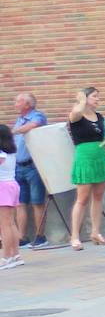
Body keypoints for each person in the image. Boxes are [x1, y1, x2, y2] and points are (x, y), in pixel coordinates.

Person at [68, 87, 105, 249]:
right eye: (94, 96)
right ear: (85, 98)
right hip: (85, 158)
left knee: (98, 196)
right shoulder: (77, 115)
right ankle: (74, 236)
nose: (97, 99)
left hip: (100, 156)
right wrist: (80, 100)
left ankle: (96, 231)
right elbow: (74, 115)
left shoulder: (100, 117)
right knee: (82, 198)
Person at [12, 93, 48, 248]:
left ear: (27, 104)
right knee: (20, 203)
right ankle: (22, 237)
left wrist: (13, 131)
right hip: (18, 166)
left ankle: (40, 236)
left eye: (18, 101)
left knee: (37, 202)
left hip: (33, 166)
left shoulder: (37, 116)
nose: (15, 104)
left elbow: (33, 126)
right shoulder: (19, 120)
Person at [0, 125, 21, 269]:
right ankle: (16, 254)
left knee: (5, 224)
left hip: (3, 187)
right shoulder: (10, 152)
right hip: (12, 185)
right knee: (11, 222)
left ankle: (6, 256)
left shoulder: (1, 154)